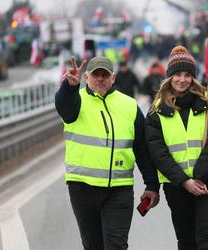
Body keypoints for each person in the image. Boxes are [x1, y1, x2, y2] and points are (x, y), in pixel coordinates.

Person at [55, 56, 160, 250]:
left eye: (105, 75)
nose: (100, 79)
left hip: (119, 190)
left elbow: (142, 149)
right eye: (96, 75)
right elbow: (64, 107)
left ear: (113, 78)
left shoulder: (129, 105)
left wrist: (152, 184)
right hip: (83, 189)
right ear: (87, 77)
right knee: (93, 245)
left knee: (116, 245)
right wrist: (69, 87)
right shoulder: (75, 100)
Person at [145, 45, 208, 250]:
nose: (183, 79)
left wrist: (198, 176)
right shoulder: (156, 112)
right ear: (169, 77)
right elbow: (158, 153)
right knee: (187, 240)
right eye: (178, 74)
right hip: (176, 186)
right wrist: (184, 182)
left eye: (188, 74)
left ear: (194, 77)